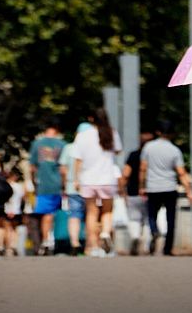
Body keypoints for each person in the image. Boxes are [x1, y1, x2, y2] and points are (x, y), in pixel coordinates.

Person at [72, 108, 122, 258]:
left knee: (91, 213)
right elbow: (118, 151)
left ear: (91, 118)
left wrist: (76, 179)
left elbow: (78, 160)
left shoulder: (82, 136)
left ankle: (93, 245)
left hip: (88, 179)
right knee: (107, 211)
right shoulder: (112, 133)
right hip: (107, 178)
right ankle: (106, 233)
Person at [139, 121, 192, 256]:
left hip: (153, 188)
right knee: (171, 219)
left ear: (158, 132)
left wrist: (141, 186)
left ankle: (154, 231)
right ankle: (167, 248)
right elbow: (181, 173)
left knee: (152, 215)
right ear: (172, 133)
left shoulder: (148, 147)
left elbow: (143, 168)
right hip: (169, 188)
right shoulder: (175, 150)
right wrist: (189, 191)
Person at [28, 119, 67, 255]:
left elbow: (32, 167)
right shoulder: (62, 145)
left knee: (46, 214)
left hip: (42, 184)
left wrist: (33, 182)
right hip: (57, 184)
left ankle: (46, 240)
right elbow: (64, 169)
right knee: (53, 214)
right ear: (57, 131)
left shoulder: (36, 144)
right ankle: (50, 240)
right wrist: (65, 184)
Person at [59, 122, 91, 256]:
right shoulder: (93, 148)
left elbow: (63, 169)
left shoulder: (69, 148)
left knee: (74, 215)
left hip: (73, 187)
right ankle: (90, 246)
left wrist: (65, 185)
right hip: (90, 186)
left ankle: (74, 242)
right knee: (91, 215)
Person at [121, 130, 154, 255]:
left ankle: (135, 236)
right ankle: (146, 245)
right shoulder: (154, 156)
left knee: (133, 217)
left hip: (133, 192)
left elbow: (125, 174)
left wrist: (122, 189)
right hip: (152, 191)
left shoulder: (134, 155)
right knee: (148, 218)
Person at [3, 168, 26, 256]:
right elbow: (23, 199)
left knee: (8, 229)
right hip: (16, 210)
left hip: (7, 210)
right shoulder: (19, 186)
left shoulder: (5, 185)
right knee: (14, 230)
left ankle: (9, 248)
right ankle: (13, 246)